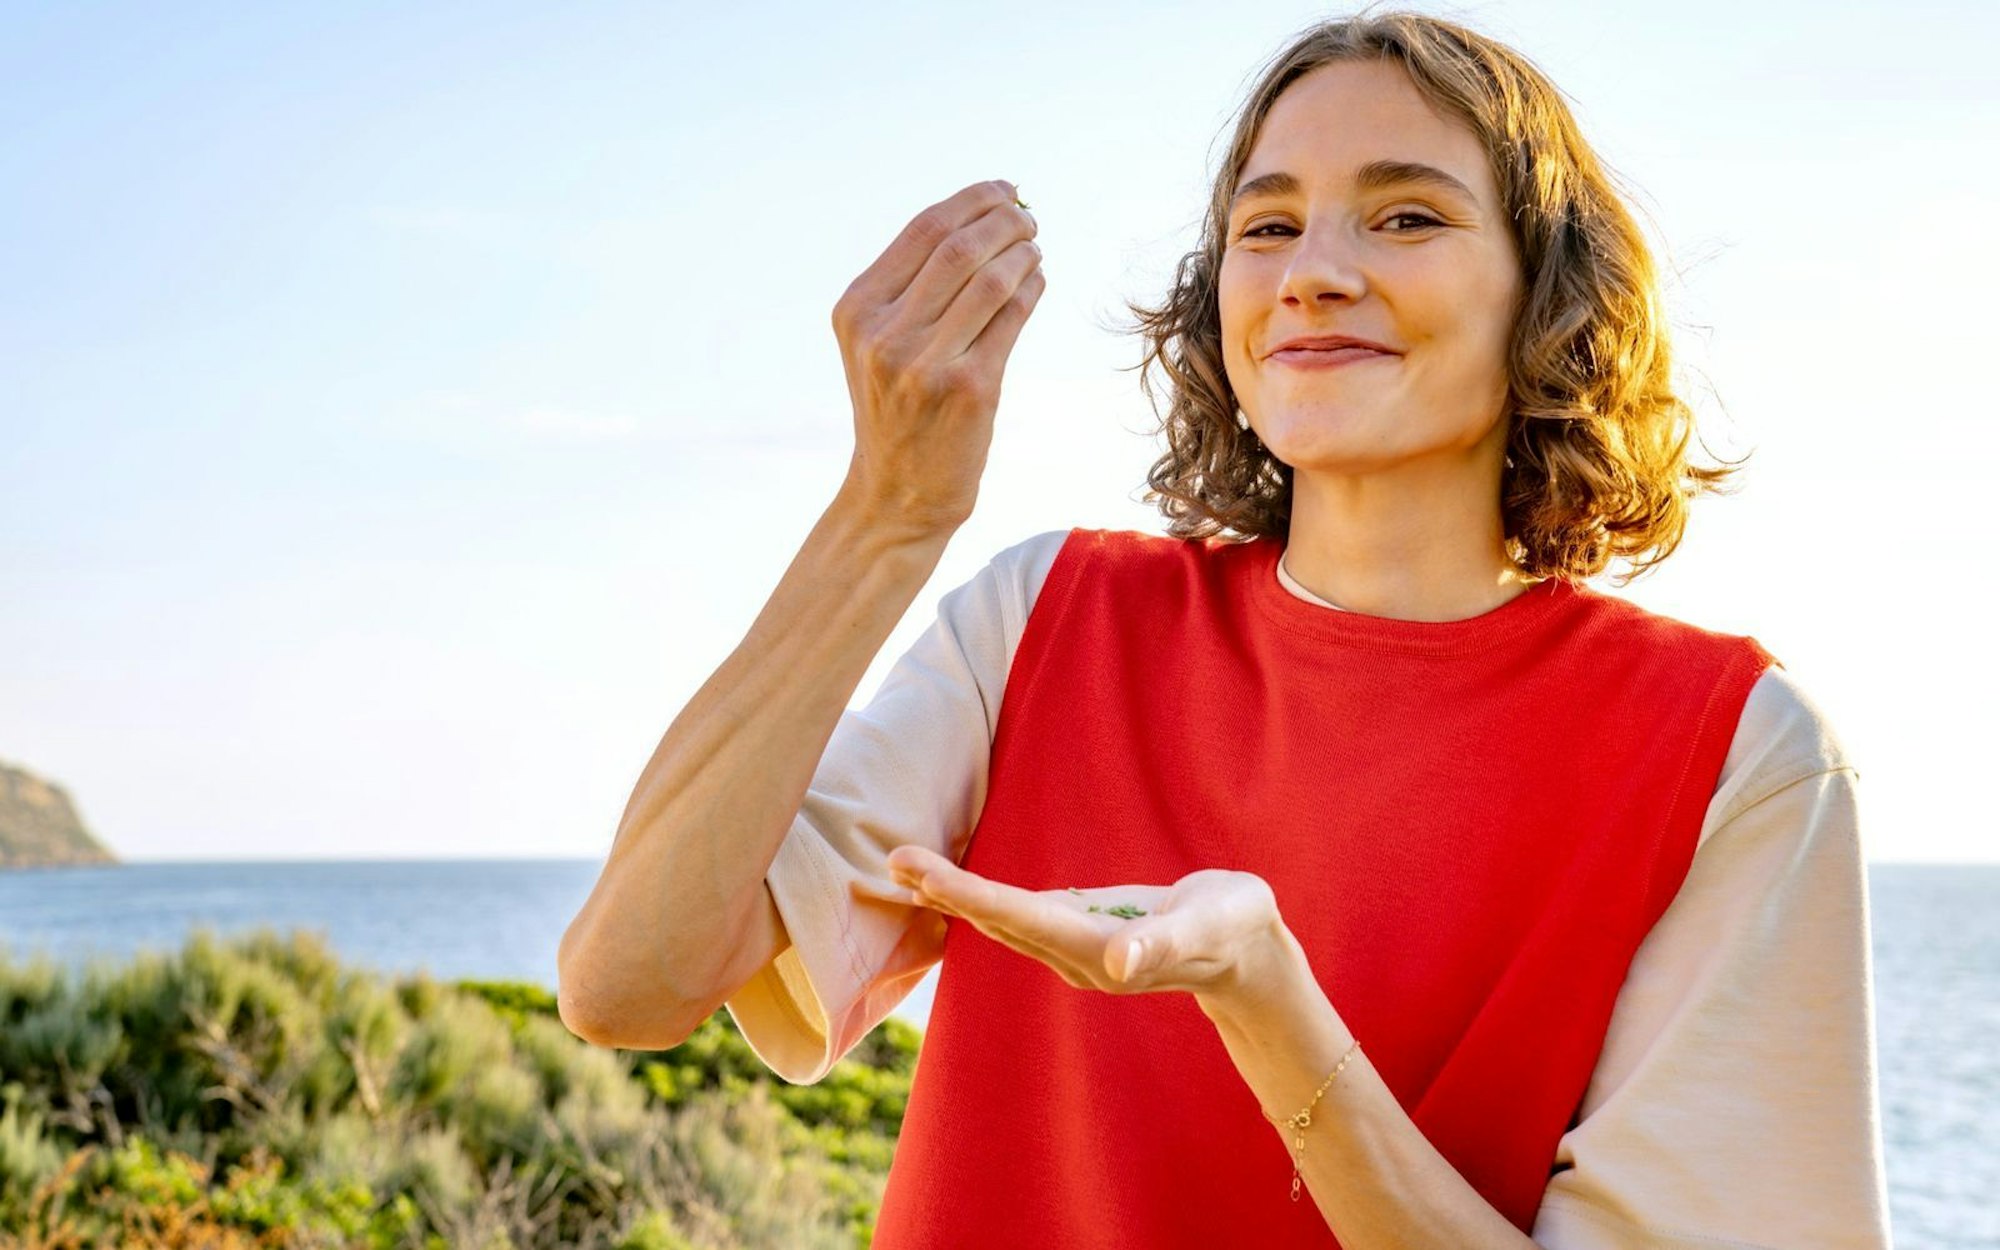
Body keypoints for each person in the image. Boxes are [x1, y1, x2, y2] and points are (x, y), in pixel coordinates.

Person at [557, 9, 1893, 1248]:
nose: (1314, 273)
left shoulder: (1736, 759)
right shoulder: (1042, 621)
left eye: (1406, 216)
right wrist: (890, 513)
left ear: (1549, 294)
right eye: (1268, 228)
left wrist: (1268, 999)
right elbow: (628, 978)